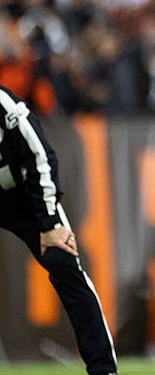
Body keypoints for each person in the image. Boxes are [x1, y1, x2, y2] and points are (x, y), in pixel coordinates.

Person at [0, 85, 118, 375]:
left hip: (21, 192)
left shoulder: (3, 104)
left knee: (62, 259)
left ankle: (103, 369)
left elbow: (40, 156)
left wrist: (50, 221)